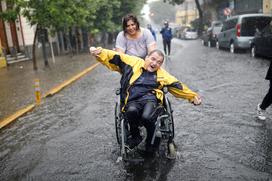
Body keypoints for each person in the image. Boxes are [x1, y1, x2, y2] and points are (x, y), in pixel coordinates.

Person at [90, 46, 202, 153]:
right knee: (131, 111)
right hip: (132, 100)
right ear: (146, 58)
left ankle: (152, 141)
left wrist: (192, 97)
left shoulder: (162, 75)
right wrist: (100, 52)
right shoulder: (133, 62)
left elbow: (179, 86)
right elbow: (116, 56)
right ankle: (136, 136)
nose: (154, 63)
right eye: (153, 59)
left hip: (150, 100)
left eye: (159, 62)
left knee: (147, 117)